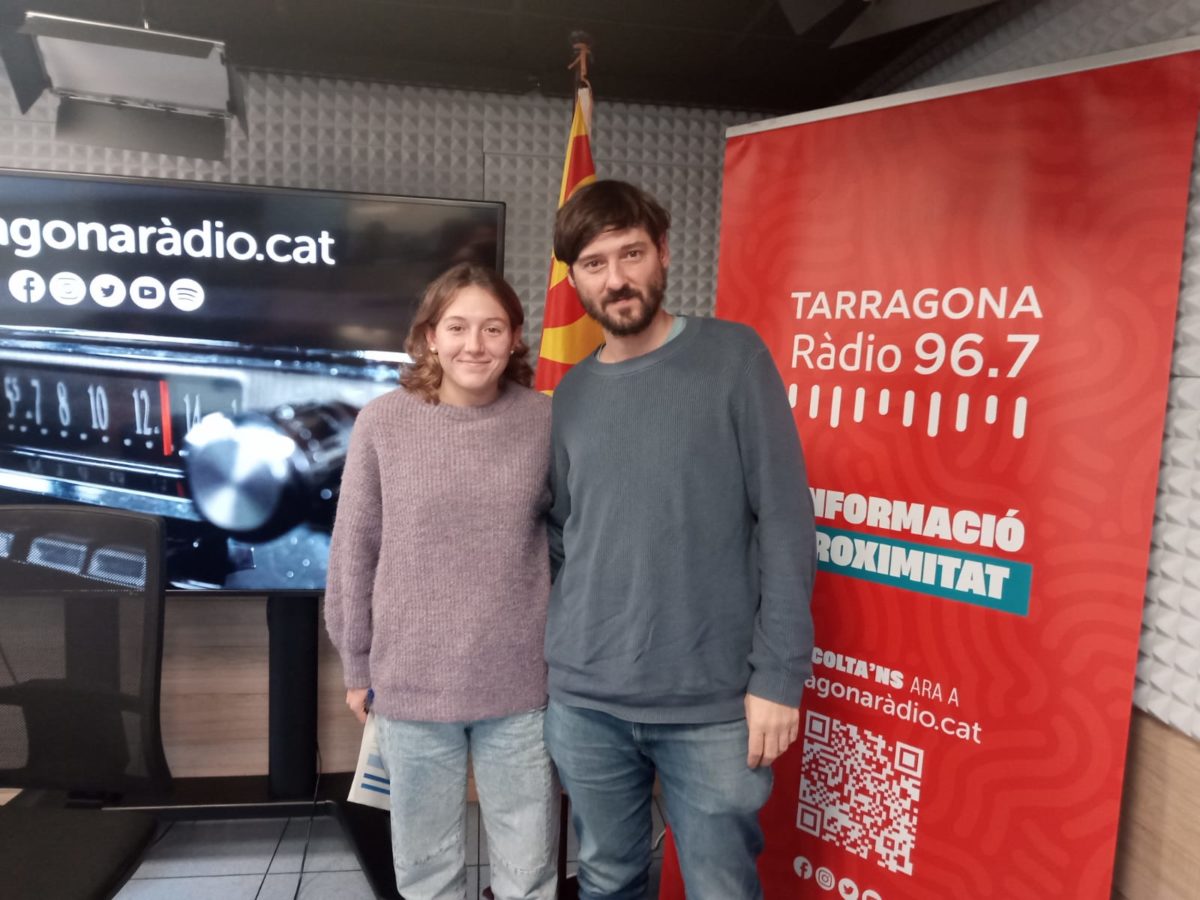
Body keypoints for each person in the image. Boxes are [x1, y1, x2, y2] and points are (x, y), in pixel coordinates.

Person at [543, 180, 816, 900]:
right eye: (595, 263)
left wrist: (779, 677)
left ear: (662, 253)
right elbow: (563, 536)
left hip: (715, 705)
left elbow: (786, 520)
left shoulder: (734, 358)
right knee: (607, 878)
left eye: (631, 253)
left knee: (722, 887)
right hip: (586, 700)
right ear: (575, 280)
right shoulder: (570, 396)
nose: (617, 278)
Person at [324, 262, 558, 900]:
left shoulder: (546, 422)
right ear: (430, 336)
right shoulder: (383, 422)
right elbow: (354, 548)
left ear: (515, 338)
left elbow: (572, 545)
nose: (473, 345)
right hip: (410, 680)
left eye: (492, 328)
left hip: (521, 679)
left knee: (528, 861)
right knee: (426, 862)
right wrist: (357, 662)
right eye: (457, 327)